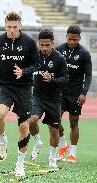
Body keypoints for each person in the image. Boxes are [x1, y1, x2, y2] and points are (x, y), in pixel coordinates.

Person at [0, 11, 40, 177]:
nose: (12, 30)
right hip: (5, 86)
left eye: (15, 27)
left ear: (20, 26)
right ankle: (2, 139)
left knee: (24, 127)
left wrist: (24, 71)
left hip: (23, 88)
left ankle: (20, 164)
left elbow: (37, 64)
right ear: (5, 26)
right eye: (9, 27)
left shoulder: (29, 42)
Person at [29, 29, 68, 168]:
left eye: (47, 45)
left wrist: (52, 79)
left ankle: (52, 158)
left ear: (53, 43)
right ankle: (38, 142)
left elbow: (65, 79)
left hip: (54, 98)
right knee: (32, 120)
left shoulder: (59, 59)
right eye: (41, 45)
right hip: (37, 96)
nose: (44, 48)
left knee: (54, 130)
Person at [55, 25, 92, 163]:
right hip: (60, 91)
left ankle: (73, 153)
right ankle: (63, 144)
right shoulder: (59, 50)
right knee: (55, 119)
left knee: (74, 122)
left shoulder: (84, 53)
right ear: (66, 37)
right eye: (70, 39)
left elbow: (88, 75)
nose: (72, 42)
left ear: (79, 38)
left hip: (76, 93)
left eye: (75, 40)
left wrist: (84, 93)